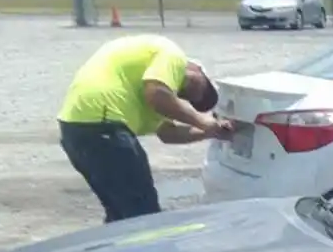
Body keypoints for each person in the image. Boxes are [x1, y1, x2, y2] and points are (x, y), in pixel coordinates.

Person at [57, 34, 232, 222]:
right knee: (143, 216)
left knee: (121, 214)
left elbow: (168, 133)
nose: (197, 96)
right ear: (196, 68)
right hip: (103, 124)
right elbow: (157, 94)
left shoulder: (151, 85)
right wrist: (203, 121)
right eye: (203, 89)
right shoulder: (172, 55)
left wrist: (209, 131)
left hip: (74, 129)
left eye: (198, 100)